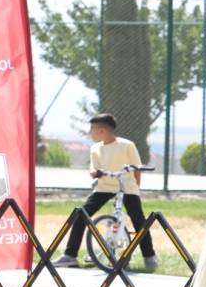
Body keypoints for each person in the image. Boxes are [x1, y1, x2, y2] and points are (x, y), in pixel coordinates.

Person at [53, 113, 157, 271]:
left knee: (138, 220)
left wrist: (135, 189)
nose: (90, 132)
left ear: (102, 130)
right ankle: (70, 256)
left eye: (92, 128)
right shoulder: (95, 148)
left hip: (126, 186)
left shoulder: (127, 145)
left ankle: (149, 257)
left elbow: (137, 169)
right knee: (81, 214)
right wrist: (94, 172)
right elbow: (93, 167)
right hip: (104, 186)